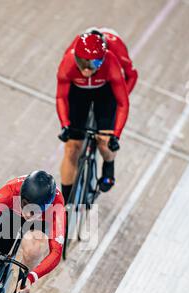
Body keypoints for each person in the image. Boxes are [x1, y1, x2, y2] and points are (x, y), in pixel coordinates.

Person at [57, 27, 138, 202]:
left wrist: (115, 135)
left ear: (102, 58)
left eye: (94, 64)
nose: (86, 70)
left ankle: (109, 164)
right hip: (79, 93)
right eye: (83, 63)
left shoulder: (113, 59)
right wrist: (65, 125)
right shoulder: (69, 61)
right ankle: (63, 202)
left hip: (105, 91)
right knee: (71, 148)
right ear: (76, 56)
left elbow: (124, 99)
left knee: (105, 144)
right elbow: (61, 96)